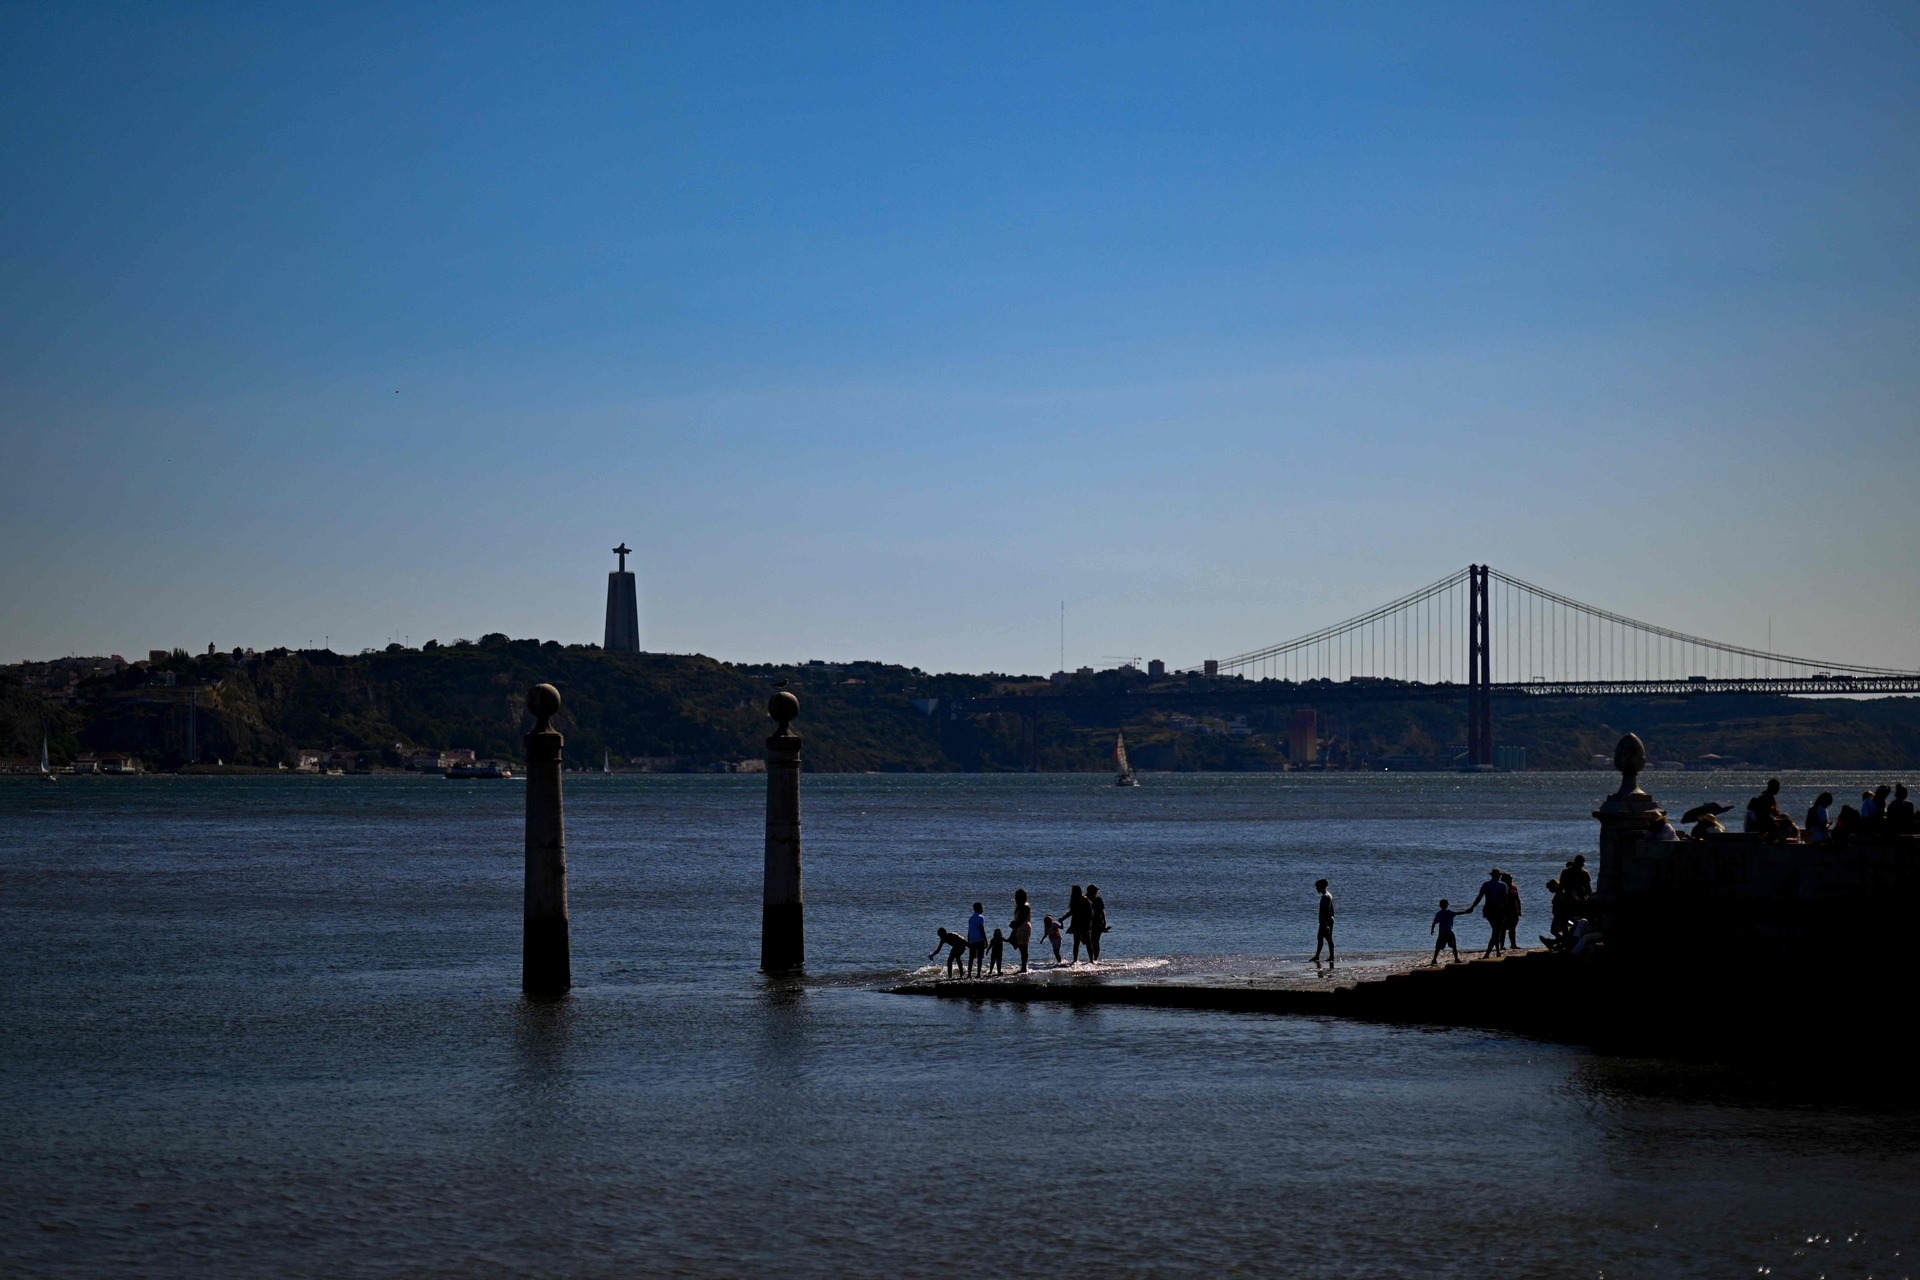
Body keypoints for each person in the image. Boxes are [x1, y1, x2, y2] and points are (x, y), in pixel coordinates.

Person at [1463, 868, 1509, 956]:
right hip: (1499, 910)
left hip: (1488, 910)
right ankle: (1487, 954)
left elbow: (1479, 897)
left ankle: (1498, 952)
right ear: (1499, 876)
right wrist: (1507, 911)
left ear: (1491, 875)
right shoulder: (1503, 885)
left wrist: (1472, 907)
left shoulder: (1486, 885)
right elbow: (1505, 900)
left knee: (1496, 930)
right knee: (1496, 932)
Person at [1060, 886, 1089, 963]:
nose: (1072, 892)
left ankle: (1077, 960)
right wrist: (1063, 918)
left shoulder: (1082, 899)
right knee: (1080, 942)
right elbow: (1072, 912)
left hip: (1080, 922)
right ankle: (1077, 960)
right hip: (1079, 922)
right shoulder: (1080, 899)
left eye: (1073, 891)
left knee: (1080, 942)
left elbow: (1072, 912)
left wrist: (1063, 918)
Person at [1008, 888, 1033, 973]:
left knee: (1023, 949)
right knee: (1023, 949)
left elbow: (1021, 920)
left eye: (1017, 897)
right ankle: (1023, 967)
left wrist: (1014, 926)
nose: (1015, 899)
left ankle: (1024, 968)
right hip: (1022, 928)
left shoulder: (1024, 906)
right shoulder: (1023, 906)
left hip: (1023, 928)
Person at [1312, 879, 1335, 964]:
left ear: (1321, 887)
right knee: (1321, 937)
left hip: (1325, 920)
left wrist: (1325, 923)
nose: (1316, 889)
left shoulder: (1325, 897)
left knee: (1327, 938)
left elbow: (1326, 910)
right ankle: (1318, 955)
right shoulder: (1328, 895)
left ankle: (1330, 956)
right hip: (1329, 920)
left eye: (1317, 887)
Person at [1430, 898, 1460, 965]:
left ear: (1440, 905)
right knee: (1454, 946)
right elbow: (1458, 913)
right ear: (1447, 905)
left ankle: (1434, 959)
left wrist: (1432, 930)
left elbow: (1434, 923)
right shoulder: (1449, 912)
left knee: (1438, 947)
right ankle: (1456, 959)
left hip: (1442, 933)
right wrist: (1466, 911)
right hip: (1449, 932)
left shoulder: (1439, 913)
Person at [1085, 884, 1109, 963]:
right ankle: (1092, 959)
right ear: (1090, 891)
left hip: (1098, 922)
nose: (1096, 892)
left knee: (1095, 941)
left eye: (1096, 891)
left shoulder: (1098, 899)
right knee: (1089, 941)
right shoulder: (1085, 899)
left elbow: (1102, 911)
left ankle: (1095, 959)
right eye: (1095, 891)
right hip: (1088, 922)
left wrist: (1104, 922)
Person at [1501, 872, 1522, 951]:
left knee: (1512, 928)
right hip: (1505, 910)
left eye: (1511, 878)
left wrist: (1519, 910)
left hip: (1513, 910)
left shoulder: (1513, 888)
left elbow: (1518, 899)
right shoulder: (1502, 887)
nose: (1510, 880)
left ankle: (1513, 944)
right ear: (1504, 880)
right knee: (1503, 929)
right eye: (1509, 878)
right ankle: (1501, 945)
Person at [966, 902, 987, 978]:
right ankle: (978, 974)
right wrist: (985, 940)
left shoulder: (971, 918)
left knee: (971, 958)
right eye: (981, 907)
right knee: (980, 958)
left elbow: (969, 930)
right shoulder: (981, 917)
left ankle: (969, 974)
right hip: (979, 939)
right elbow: (982, 929)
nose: (982, 909)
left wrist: (968, 940)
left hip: (972, 940)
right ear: (979, 908)